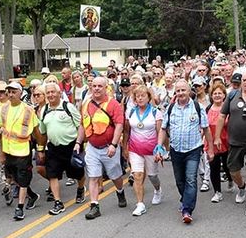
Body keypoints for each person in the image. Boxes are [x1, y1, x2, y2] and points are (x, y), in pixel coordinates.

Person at [154, 79, 214, 224]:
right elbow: (163, 129)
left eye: (183, 90)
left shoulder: (197, 107)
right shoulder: (170, 108)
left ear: (189, 92)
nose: (180, 93)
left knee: (191, 179)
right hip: (176, 150)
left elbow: (206, 129)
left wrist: (210, 149)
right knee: (180, 181)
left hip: (193, 149)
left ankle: (187, 209)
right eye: (178, 91)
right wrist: (159, 147)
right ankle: (185, 199)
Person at [0, 81, 42, 221]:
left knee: (22, 179)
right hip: (9, 149)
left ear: (20, 93)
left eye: (13, 92)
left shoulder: (28, 110)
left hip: (23, 149)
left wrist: (41, 148)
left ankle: (20, 208)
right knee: (14, 178)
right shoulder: (3, 108)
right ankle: (33, 196)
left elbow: (36, 131)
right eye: (8, 92)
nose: (10, 94)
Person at [74, 76, 126, 220]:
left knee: (115, 176)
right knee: (94, 176)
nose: (96, 88)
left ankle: (120, 191)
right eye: (94, 86)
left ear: (105, 88)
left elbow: (119, 125)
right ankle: (94, 205)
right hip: (92, 147)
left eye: (99, 86)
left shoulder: (113, 104)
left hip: (109, 147)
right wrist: (78, 142)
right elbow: (82, 125)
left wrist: (114, 145)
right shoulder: (86, 104)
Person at [214, 70, 246, 217]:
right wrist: (217, 137)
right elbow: (222, 116)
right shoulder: (232, 95)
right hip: (235, 141)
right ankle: (242, 186)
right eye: (244, 80)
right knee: (233, 171)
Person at [36, 82, 86, 215]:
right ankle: (58, 202)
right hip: (53, 148)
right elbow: (42, 132)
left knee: (77, 173)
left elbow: (80, 125)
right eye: (48, 93)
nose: (51, 95)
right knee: (52, 174)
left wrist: (79, 143)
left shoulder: (68, 107)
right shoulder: (44, 110)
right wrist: (40, 149)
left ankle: (81, 188)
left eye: (53, 92)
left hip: (71, 146)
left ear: (59, 93)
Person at [122, 85, 163, 216]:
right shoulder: (131, 112)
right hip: (135, 149)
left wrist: (160, 150)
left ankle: (157, 190)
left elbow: (160, 133)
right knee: (137, 176)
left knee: (152, 176)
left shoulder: (156, 112)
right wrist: (125, 147)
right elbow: (127, 131)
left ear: (148, 97)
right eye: (137, 96)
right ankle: (140, 204)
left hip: (151, 150)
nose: (140, 98)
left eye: (142, 96)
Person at [207, 82, 232, 203]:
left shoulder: (228, 109)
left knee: (228, 166)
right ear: (211, 96)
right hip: (211, 143)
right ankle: (217, 192)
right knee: (214, 168)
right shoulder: (207, 109)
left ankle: (231, 180)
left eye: (219, 93)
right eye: (215, 93)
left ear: (224, 95)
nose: (217, 95)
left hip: (226, 142)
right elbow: (204, 126)